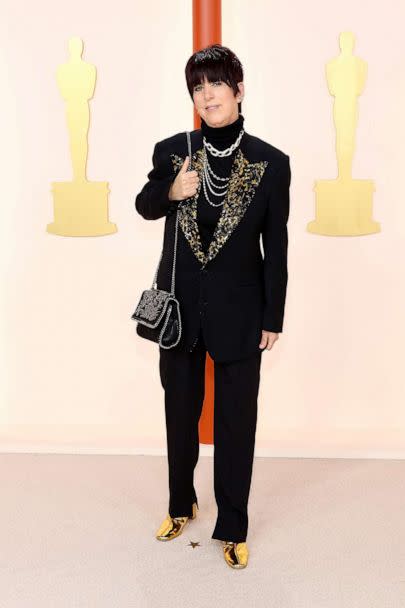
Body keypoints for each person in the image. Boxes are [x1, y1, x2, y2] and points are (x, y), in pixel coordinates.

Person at [135, 44, 291, 569]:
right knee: (179, 415)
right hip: (180, 312)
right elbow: (143, 204)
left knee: (235, 423)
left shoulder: (272, 163)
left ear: (239, 90)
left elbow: (276, 248)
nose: (207, 96)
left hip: (242, 314)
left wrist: (273, 317)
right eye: (198, 88)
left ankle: (234, 525)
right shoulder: (174, 151)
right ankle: (182, 503)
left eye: (216, 85)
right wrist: (171, 192)